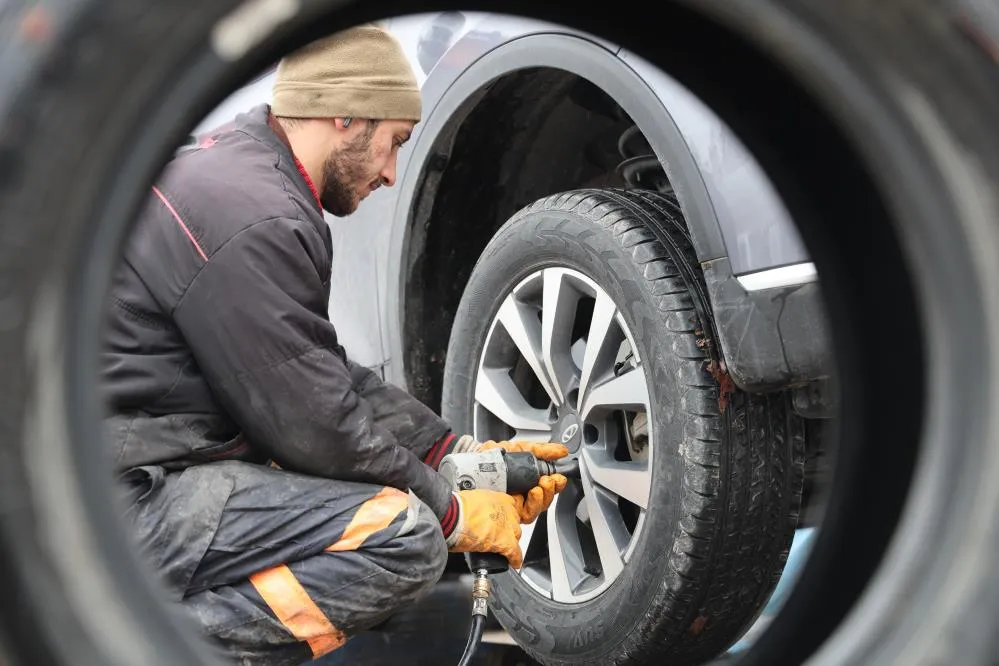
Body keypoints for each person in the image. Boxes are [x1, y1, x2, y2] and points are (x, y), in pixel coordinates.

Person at [100, 24, 568, 665]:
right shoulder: (258, 217)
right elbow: (312, 424)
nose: (393, 172)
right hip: (137, 502)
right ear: (346, 114)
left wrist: (453, 451)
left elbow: (314, 372)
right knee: (405, 538)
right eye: (394, 142)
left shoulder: (239, 176)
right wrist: (451, 512)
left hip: (142, 480)